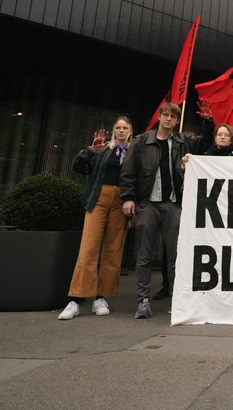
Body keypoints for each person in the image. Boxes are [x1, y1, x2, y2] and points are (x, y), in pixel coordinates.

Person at [120, 101, 213, 319]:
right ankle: (142, 301)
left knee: (176, 256)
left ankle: (176, 299)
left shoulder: (182, 142)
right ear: (159, 117)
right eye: (166, 115)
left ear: (177, 120)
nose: (169, 119)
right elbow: (128, 172)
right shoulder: (141, 141)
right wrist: (128, 198)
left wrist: (208, 121)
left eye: (173, 116)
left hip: (173, 205)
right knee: (144, 256)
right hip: (147, 205)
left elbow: (206, 143)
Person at [58, 117, 133, 320]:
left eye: (125, 127)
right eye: (117, 127)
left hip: (122, 200)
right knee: (88, 246)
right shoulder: (102, 150)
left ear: (130, 130)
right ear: (113, 130)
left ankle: (101, 297)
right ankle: (75, 298)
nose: (121, 130)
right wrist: (90, 151)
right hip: (99, 198)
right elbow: (79, 167)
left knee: (113, 249)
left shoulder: (134, 151)